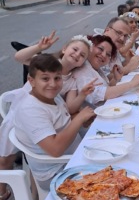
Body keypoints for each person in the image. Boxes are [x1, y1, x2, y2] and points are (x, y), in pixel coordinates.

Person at [13, 54, 96, 190]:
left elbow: (63, 123)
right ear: (31, 81)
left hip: (75, 157)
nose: (53, 84)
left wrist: (82, 121)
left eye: (57, 78)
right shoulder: (30, 109)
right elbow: (55, 150)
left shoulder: (53, 97)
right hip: (57, 171)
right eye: (45, 78)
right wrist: (79, 118)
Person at [73, 35, 139, 107]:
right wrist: (132, 84)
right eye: (100, 49)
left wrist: (115, 79)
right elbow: (102, 94)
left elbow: (105, 88)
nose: (104, 55)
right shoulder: (81, 69)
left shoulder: (95, 68)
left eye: (108, 54)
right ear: (90, 47)